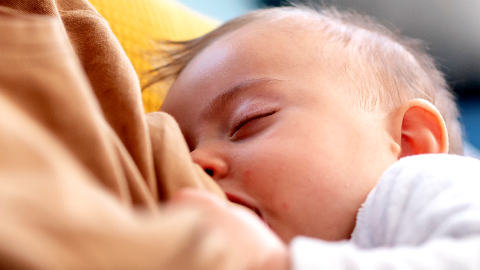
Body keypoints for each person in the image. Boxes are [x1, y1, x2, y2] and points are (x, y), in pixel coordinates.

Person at [154, 3, 480, 269]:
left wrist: (272, 262)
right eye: (180, 153)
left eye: (248, 121)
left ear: (411, 143)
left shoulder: (428, 183)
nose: (195, 163)